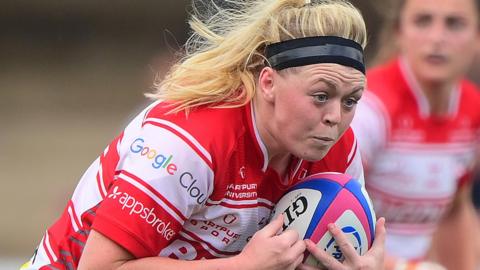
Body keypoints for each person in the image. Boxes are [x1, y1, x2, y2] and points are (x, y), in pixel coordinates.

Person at [21, 0, 386, 269]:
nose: (336, 117)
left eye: (351, 100)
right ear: (269, 82)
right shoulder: (190, 140)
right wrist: (242, 266)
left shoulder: (338, 149)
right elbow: (99, 268)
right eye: (320, 96)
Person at [351, 0, 480, 269]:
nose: (437, 38)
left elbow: (456, 209)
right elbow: (324, 215)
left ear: (477, 37)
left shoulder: (473, 109)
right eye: (423, 21)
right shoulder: (369, 109)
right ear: (400, 32)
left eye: (454, 23)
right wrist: (403, 267)